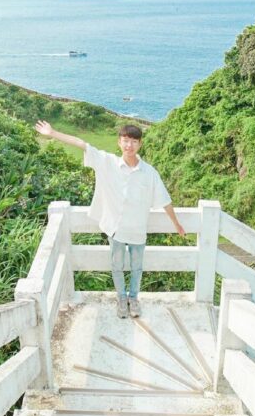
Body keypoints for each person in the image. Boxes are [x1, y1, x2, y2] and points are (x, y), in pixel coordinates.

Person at [35, 120, 186, 318]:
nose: (129, 145)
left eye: (134, 141)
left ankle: (134, 298)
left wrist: (176, 224)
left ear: (140, 144)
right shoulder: (108, 162)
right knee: (116, 266)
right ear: (119, 142)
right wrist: (52, 133)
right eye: (125, 140)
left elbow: (165, 200)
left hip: (137, 229)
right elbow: (82, 144)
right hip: (115, 228)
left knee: (137, 267)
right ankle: (122, 299)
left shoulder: (149, 173)